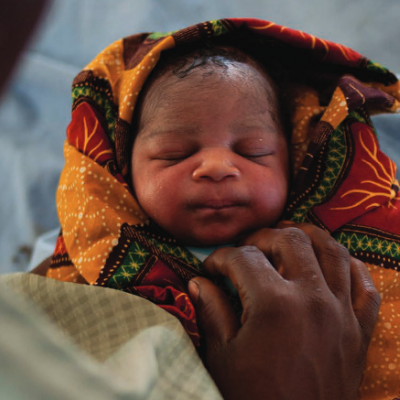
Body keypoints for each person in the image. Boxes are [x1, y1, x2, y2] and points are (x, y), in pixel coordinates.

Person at [31, 17, 400, 398]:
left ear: (295, 164)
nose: (218, 167)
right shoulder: (84, 256)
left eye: (253, 151)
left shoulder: (329, 254)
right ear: (121, 172)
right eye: (175, 154)